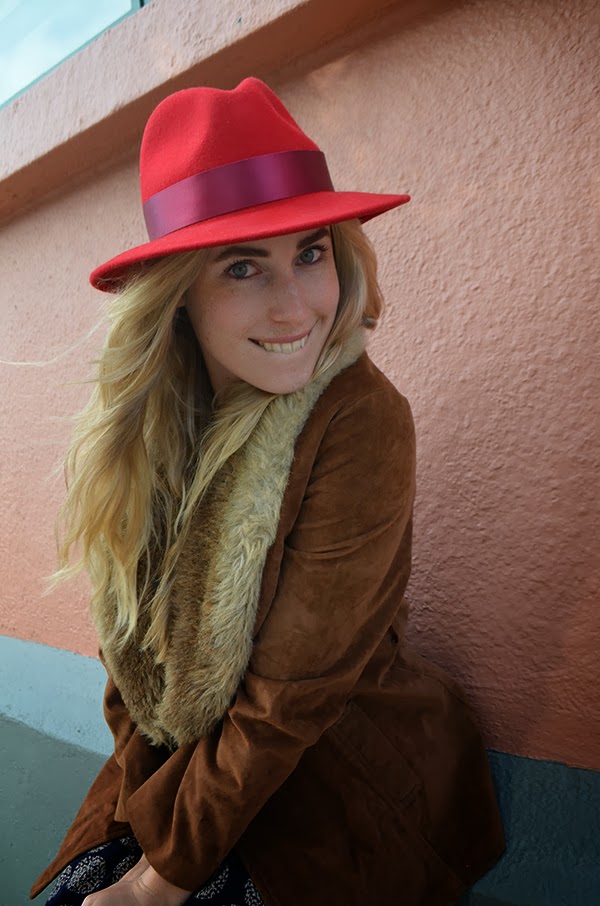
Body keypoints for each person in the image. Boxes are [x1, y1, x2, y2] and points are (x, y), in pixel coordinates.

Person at [31, 77, 504, 906]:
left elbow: (290, 701)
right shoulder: (154, 431)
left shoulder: (359, 418)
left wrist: (156, 883)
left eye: (310, 253)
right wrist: (132, 831)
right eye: (245, 267)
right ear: (179, 295)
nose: (295, 308)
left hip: (338, 788)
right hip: (187, 769)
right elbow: (130, 660)